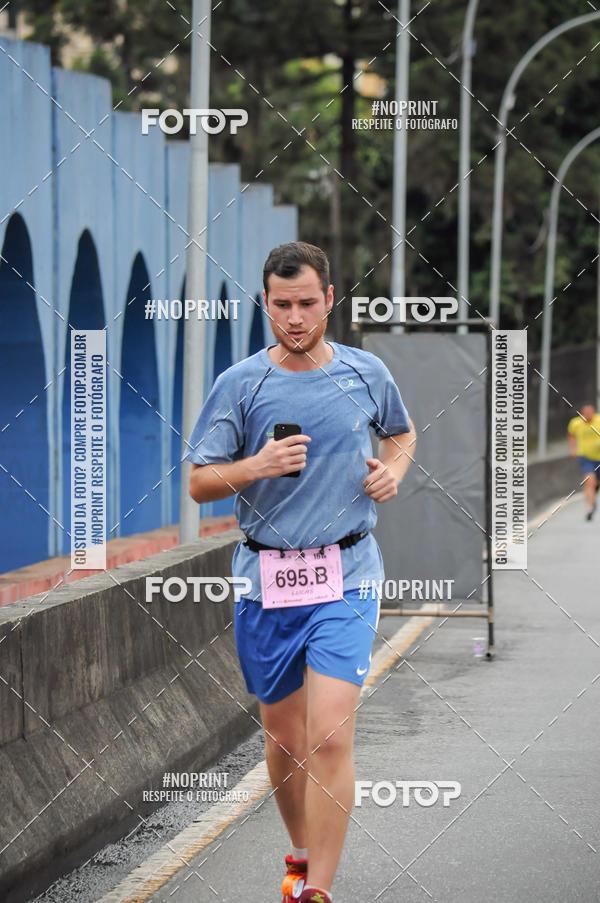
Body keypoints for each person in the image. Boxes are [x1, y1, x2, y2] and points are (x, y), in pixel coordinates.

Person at [185, 241, 416, 902]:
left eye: (306, 303)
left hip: (347, 570)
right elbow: (200, 482)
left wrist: (391, 471)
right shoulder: (240, 384)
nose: (294, 316)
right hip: (269, 579)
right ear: (266, 303)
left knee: (330, 733)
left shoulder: (366, 371)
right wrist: (254, 466)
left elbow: (400, 432)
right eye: (281, 304)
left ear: (330, 300)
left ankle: (317, 890)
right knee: (285, 742)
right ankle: (300, 853)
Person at [567, 402, 600, 520]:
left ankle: (592, 495)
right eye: (585, 413)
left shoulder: (599, 421)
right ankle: (589, 507)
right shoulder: (575, 423)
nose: (588, 415)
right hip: (585, 457)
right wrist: (573, 449)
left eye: (590, 413)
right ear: (581, 414)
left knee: (596, 483)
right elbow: (571, 435)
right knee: (589, 480)